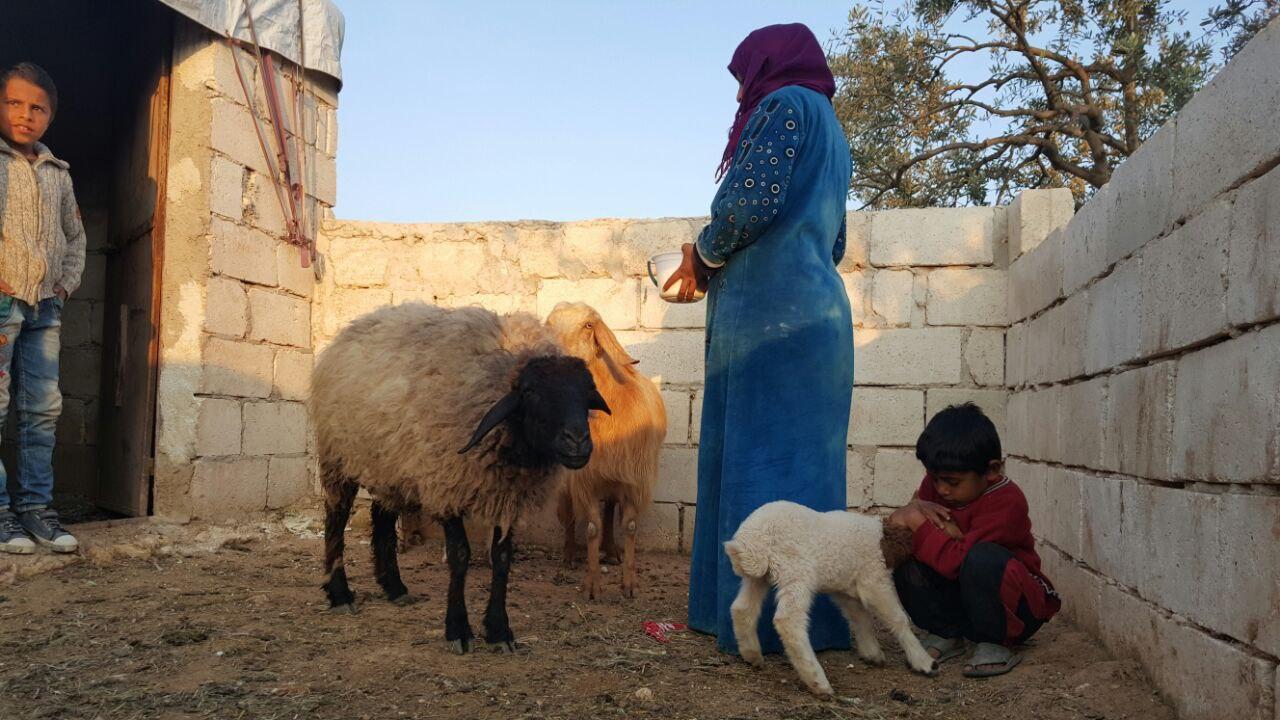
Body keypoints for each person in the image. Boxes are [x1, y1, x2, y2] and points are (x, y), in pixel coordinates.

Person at [665, 24, 855, 654]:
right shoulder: (833, 130)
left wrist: (702, 255)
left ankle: (754, 629)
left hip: (768, 326)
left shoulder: (782, 107)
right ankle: (816, 627)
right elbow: (835, 244)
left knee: (756, 471)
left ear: (764, 68)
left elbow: (748, 204)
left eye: (744, 76)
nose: (743, 90)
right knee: (810, 477)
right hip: (821, 321)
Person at [888, 403, 1061, 677]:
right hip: (966, 600)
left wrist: (918, 521)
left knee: (981, 557)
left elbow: (957, 563)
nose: (941, 489)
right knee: (907, 555)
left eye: (952, 482)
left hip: (1015, 610)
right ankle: (947, 633)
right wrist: (907, 515)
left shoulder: (1006, 501)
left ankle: (994, 643)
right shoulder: (935, 488)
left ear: (991, 470)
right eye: (934, 479)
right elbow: (905, 529)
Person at [0, 62, 86, 555]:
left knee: (41, 410)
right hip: (2, 304)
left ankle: (36, 510)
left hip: (44, 310)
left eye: (37, 108)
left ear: (49, 118)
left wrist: (66, 285)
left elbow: (75, 236)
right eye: (13, 103)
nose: (25, 115)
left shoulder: (58, 173)